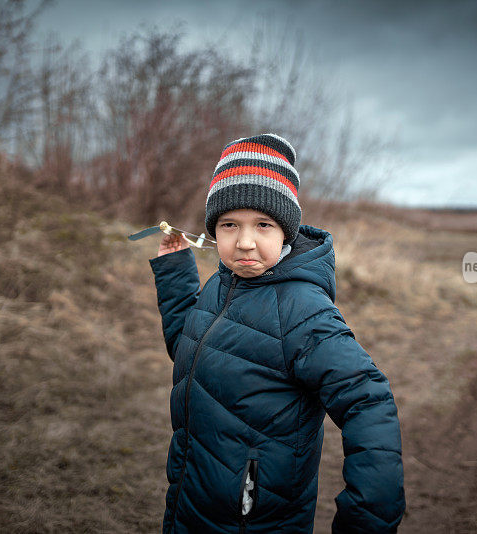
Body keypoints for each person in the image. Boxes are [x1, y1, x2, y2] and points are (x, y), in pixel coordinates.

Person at [149, 133, 405, 533]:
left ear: (286, 231)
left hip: (256, 520)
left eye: (263, 224)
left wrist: (366, 519)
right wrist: (176, 274)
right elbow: (192, 351)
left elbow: (368, 403)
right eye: (230, 224)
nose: (245, 242)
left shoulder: (304, 311)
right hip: (190, 500)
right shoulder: (223, 284)